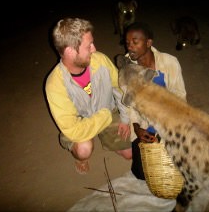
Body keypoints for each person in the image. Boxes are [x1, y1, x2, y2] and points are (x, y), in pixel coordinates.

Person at [45, 17, 132, 175]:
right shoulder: (55, 85)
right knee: (84, 149)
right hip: (84, 121)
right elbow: (74, 130)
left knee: (129, 154)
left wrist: (125, 118)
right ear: (70, 51)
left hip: (107, 111)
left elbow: (120, 88)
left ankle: (106, 138)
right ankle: (80, 159)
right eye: (88, 45)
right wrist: (105, 116)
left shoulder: (100, 60)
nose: (94, 48)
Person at [123, 21, 187, 180]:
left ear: (149, 43)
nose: (130, 46)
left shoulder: (169, 62)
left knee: (176, 167)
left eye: (135, 42)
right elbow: (129, 104)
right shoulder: (127, 67)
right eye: (127, 43)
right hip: (144, 120)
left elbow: (180, 96)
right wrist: (137, 128)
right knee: (141, 174)